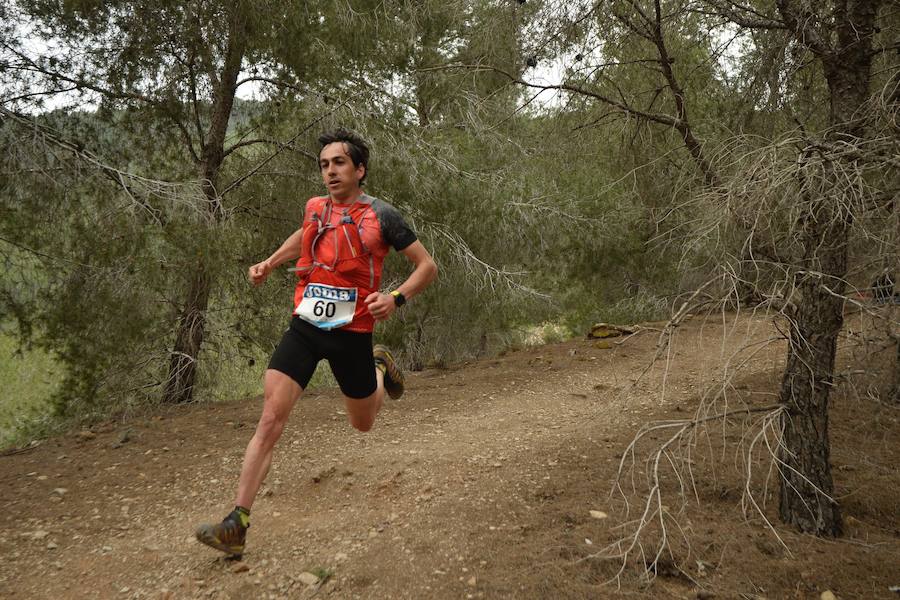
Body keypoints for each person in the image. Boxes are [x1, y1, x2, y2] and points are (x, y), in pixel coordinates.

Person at [195, 129, 438, 557]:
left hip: (354, 335)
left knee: (363, 424)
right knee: (270, 419)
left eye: (339, 163)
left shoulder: (384, 217)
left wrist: (396, 298)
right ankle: (237, 523)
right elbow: (302, 235)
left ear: (360, 169)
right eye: (324, 164)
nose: (330, 171)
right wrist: (271, 262)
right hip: (305, 327)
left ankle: (381, 368)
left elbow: (427, 266)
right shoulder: (315, 209)